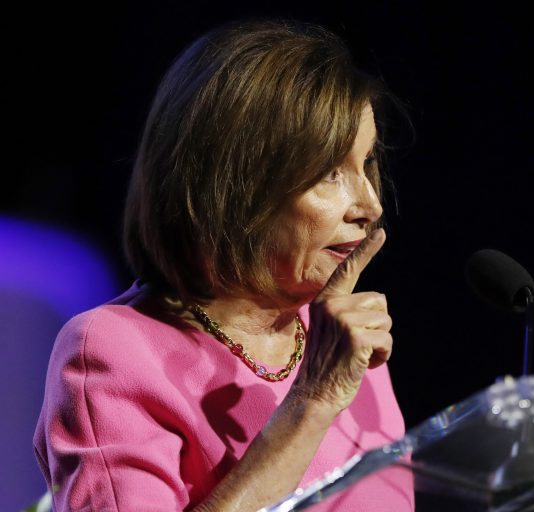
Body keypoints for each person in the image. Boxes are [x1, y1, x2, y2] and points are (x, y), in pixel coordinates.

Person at [34, 18, 413, 511]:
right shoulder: (111, 352)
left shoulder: (341, 341)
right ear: (236, 184)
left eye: (367, 166)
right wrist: (313, 401)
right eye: (329, 172)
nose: (369, 204)